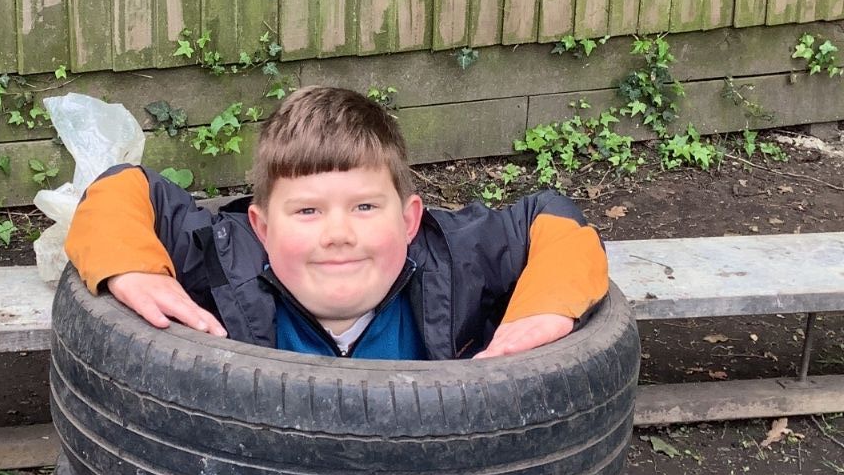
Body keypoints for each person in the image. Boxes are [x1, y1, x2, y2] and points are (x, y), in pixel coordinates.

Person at [64, 85, 608, 361]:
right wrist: (133, 267)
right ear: (262, 228)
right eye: (307, 210)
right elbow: (123, 184)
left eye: (365, 207)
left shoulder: (455, 256)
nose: (339, 234)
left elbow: (551, 215)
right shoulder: (226, 256)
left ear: (410, 220)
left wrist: (542, 309)